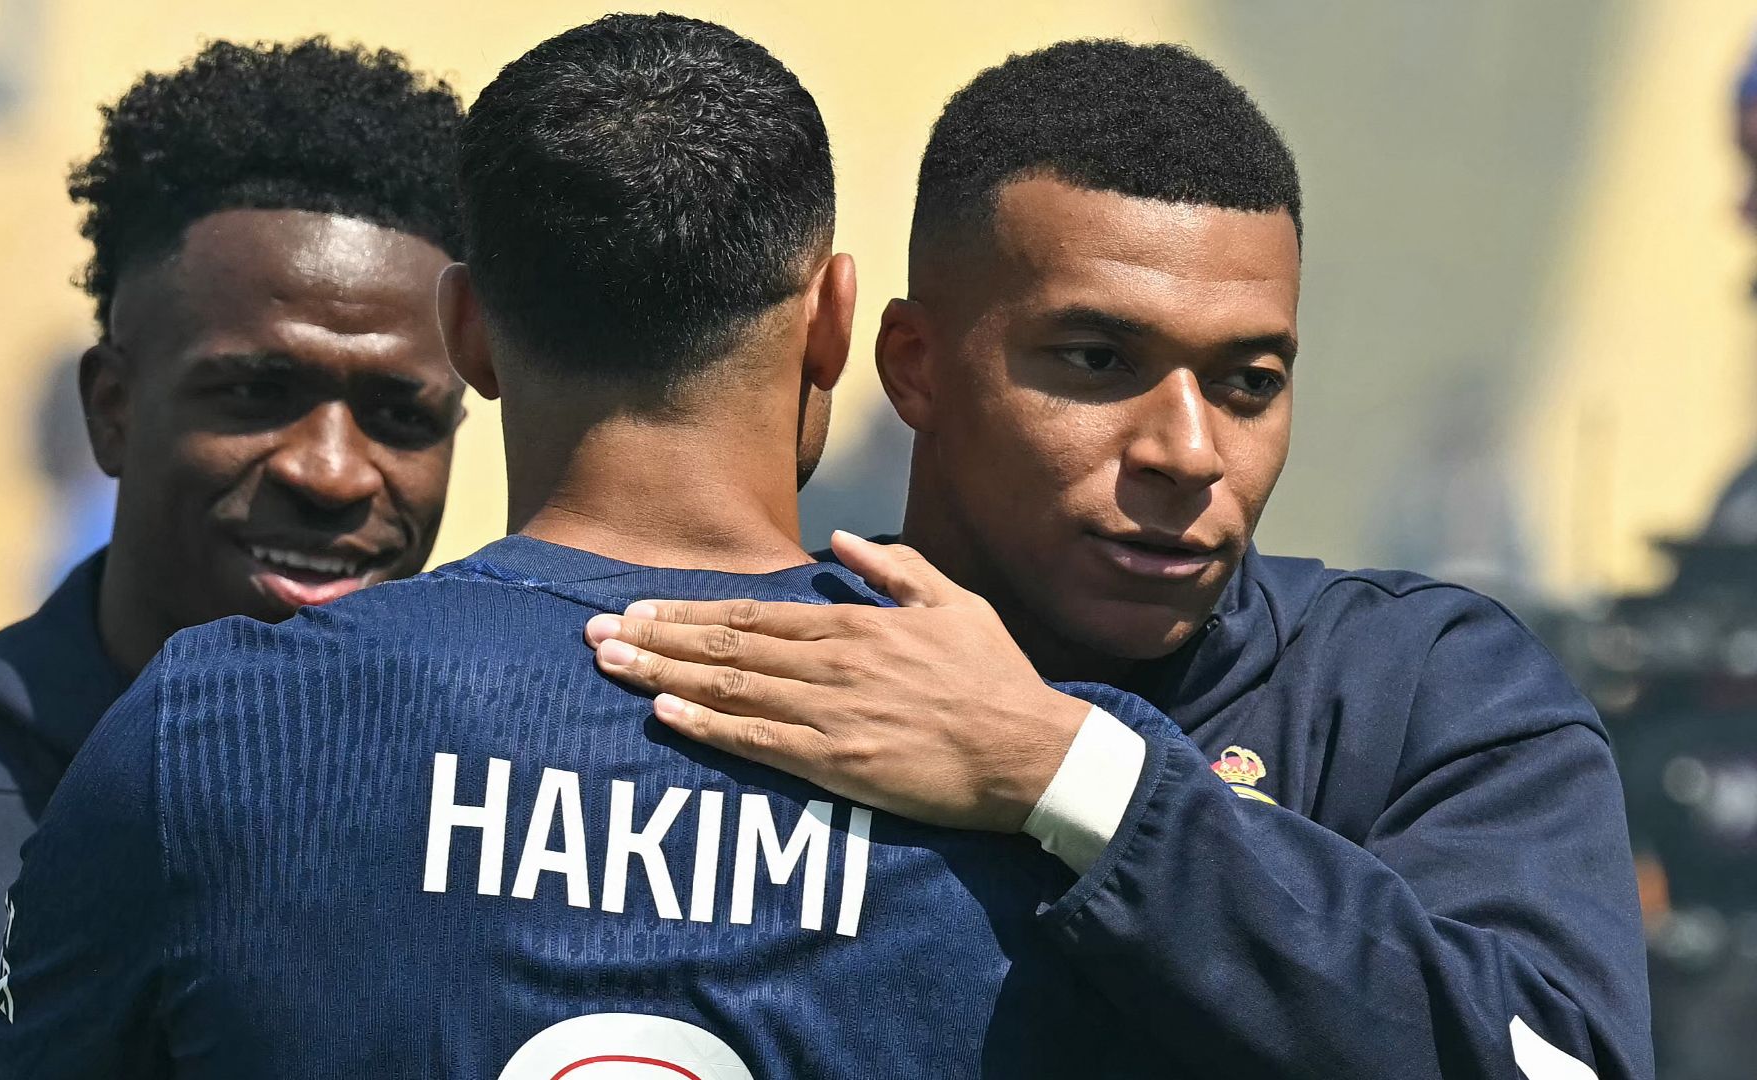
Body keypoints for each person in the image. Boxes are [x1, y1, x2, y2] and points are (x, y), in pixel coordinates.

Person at [0, 15, 1198, 1078]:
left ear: (466, 335)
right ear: (833, 323)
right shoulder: (1041, 763)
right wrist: (1074, 775)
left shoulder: (209, 731)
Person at [584, 39, 1654, 1079]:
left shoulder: (1421, 693)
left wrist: (1077, 777)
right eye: (1099, 360)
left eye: (1248, 383)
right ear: (914, 367)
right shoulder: (742, 678)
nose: (1188, 453)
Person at [0, 39, 465, 1076]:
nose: (331, 473)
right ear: (113, 409)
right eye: (256, 393)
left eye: (402, 416)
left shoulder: (498, 822)